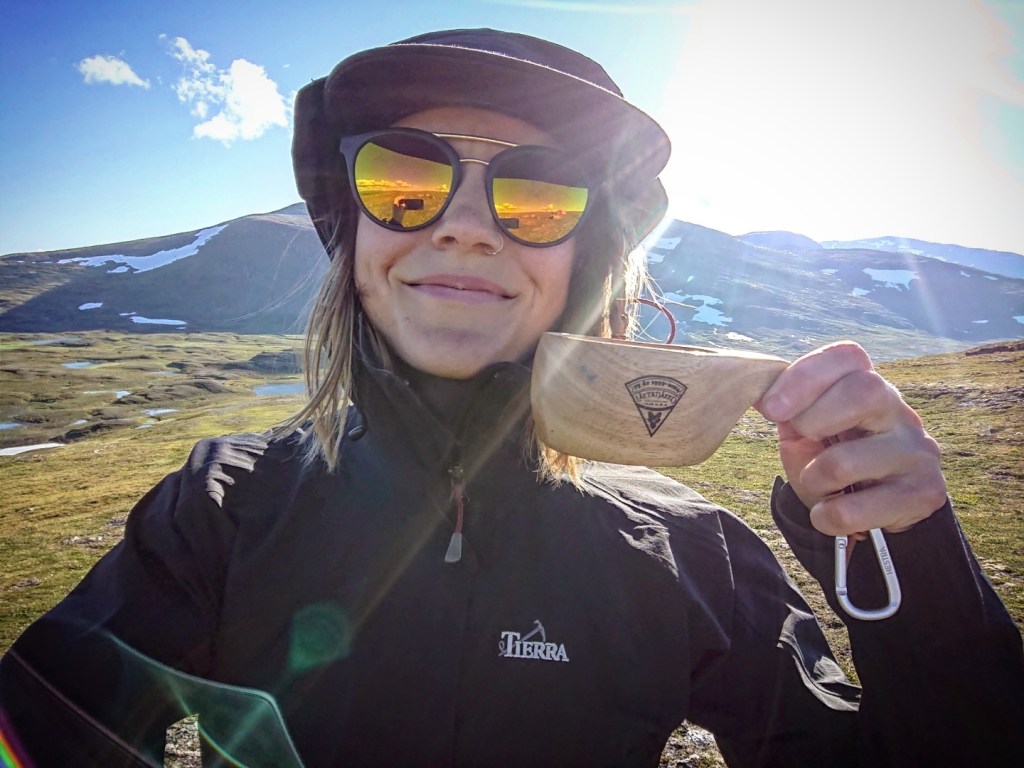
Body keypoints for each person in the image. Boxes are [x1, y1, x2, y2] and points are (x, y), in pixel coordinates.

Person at [1, 28, 1022, 768]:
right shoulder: (222, 510)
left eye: (538, 196)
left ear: (587, 263)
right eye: (404, 180)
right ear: (353, 235)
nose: (465, 225)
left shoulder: (687, 550)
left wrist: (908, 551)